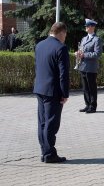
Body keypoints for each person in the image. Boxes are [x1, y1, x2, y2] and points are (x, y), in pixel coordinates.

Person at [33, 22, 69, 163]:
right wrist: (65, 94)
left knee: (42, 122)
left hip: (39, 89)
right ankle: (49, 155)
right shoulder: (61, 48)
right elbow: (63, 74)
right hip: (53, 91)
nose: (65, 38)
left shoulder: (39, 45)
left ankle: (45, 152)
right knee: (51, 123)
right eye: (65, 35)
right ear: (61, 32)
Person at [75, 19, 102, 114]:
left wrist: (84, 55)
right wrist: (78, 53)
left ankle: (93, 106)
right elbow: (82, 50)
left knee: (91, 88)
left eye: (88, 26)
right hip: (82, 66)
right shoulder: (84, 39)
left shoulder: (97, 39)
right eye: (86, 26)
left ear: (92, 27)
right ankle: (87, 105)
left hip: (91, 67)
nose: (86, 27)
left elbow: (97, 54)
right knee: (85, 88)